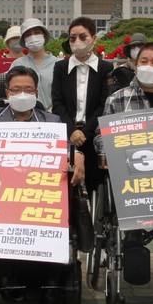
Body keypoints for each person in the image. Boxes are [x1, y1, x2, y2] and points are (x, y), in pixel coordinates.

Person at [0, 66, 84, 304]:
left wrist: (78, 155)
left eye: (28, 89)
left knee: (59, 217)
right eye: (16, 89)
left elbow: (67, 152)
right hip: (2, 193)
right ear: (6, 92)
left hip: (40, 194)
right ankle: (7, 278)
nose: (22, 94)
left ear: (36, 92)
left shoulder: (52, 121)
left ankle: (52, 282)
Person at [95, 41, 153, 286]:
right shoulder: (118, 100)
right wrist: (109, 153)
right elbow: (101, 135)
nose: (148, 66)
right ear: (135, 66)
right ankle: (132, 239)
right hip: (131, 178)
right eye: (143, 62)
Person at [51, 16, 112, 192]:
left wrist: (84, 133)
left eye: (83, 37)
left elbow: (104, 104)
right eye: (72, 38)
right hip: (68, 135)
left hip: (93, 135)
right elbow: (57, 102)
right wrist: (71, 131)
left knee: (96, 183)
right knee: (66, 184)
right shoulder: (61, 68)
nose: (77, 41)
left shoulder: (105, 68)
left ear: (94, 39)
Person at [11, 18, 59, 110]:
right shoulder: (17, 64)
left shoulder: (58, 64)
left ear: (44, 36)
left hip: (54, 115)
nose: (33, 37)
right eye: (28, 35)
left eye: (37, 33)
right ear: (24, 40)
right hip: (25, 114)